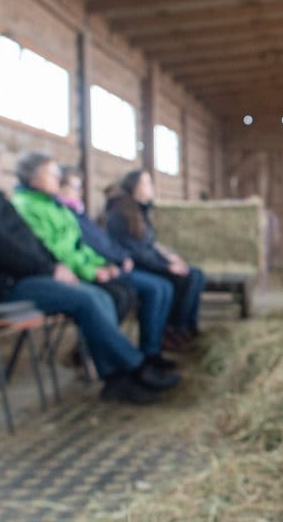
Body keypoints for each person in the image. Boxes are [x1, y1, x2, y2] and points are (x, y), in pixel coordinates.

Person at [0, 130, 177, 405]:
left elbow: (29, 242)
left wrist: (53, 265)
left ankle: (117, 380)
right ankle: (136, 366)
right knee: (88, 298)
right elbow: (4, 250)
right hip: (6, 286)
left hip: (27, 278)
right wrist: (50, 270)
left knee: (99, 296)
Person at [10, 152, 178, 373]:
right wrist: (94, 270)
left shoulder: (61, 209)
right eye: (53, 175)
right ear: (32, 178)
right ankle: (125, 364)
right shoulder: (31, 206)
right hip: (56, 275)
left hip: (88, 268)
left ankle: (136, 355)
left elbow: (84, 245)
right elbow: (56, 249)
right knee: (116, 294)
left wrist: (104, 264)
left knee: (129, 292)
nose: (57, 180)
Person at [104, 170, 205, 350]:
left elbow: (149, 245)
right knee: (180, 280)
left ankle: (187, 328)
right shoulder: (120, 213)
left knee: (196, 274)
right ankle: (171, 330)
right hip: (136, 265)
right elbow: (136, 251)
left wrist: (168, 257)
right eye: (147, 183)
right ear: (134, 187)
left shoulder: (140, 211)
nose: (152, 187)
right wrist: (166, 266)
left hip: (147, 261)